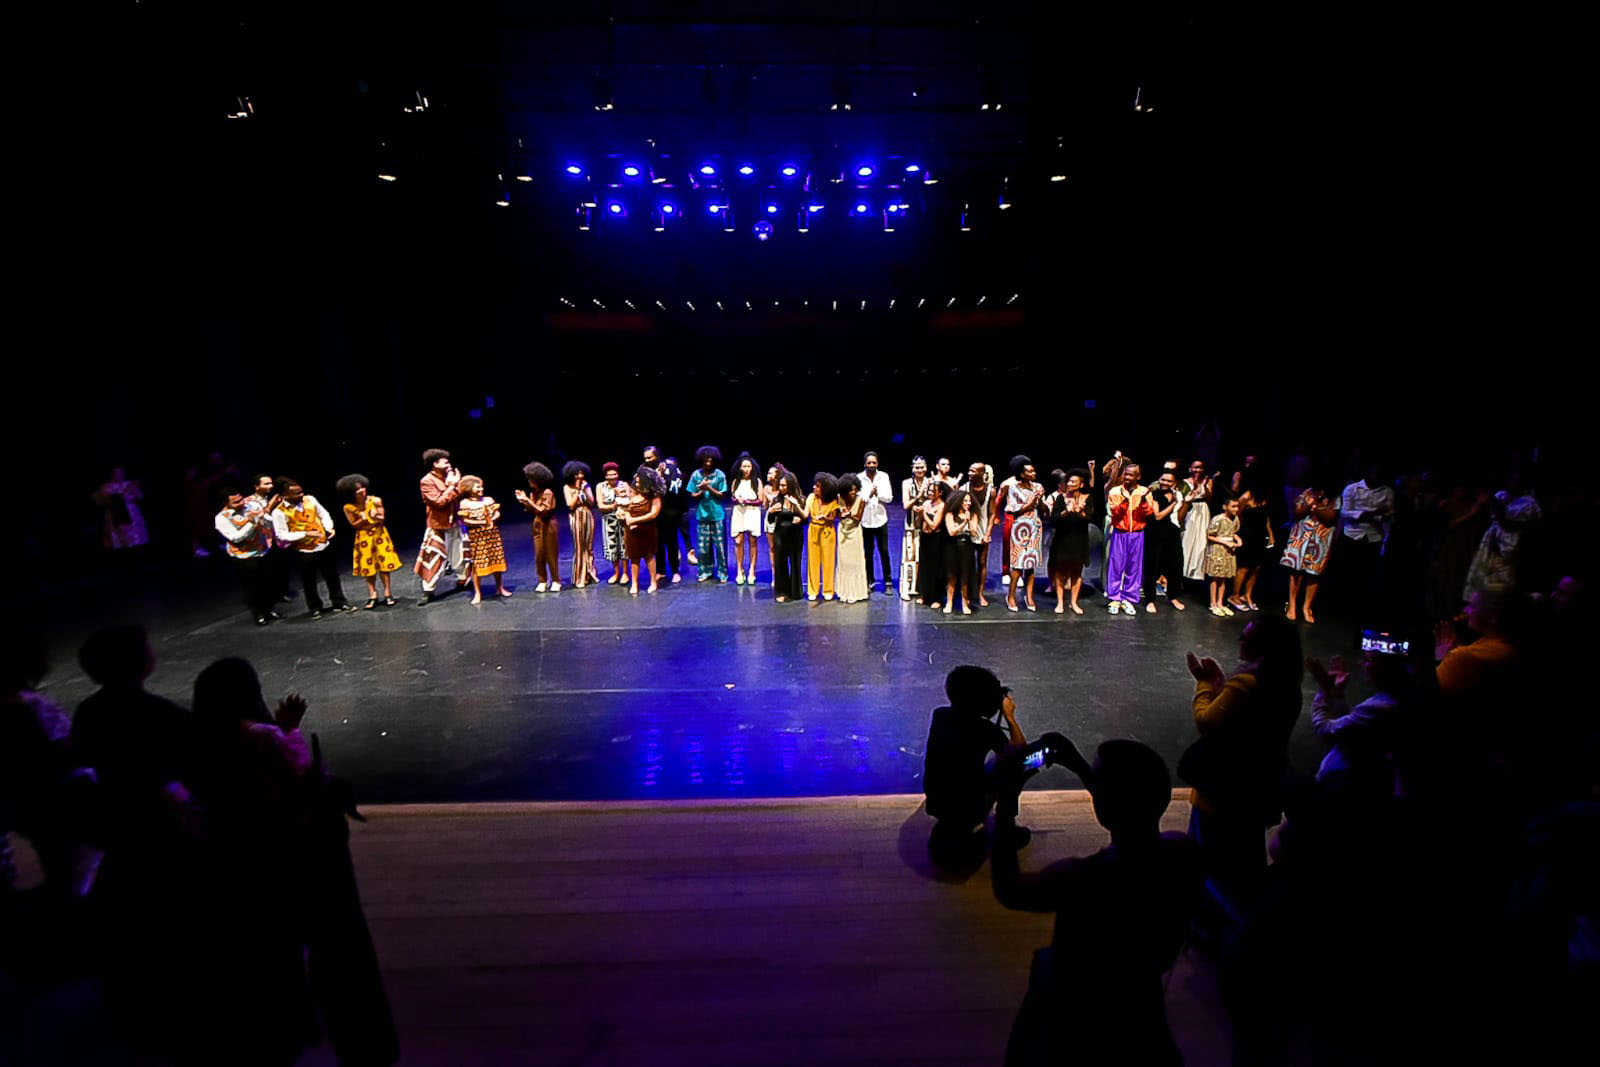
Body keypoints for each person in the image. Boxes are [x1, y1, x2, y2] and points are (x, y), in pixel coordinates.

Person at [992, 737, 1202, 1067]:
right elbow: (1125, 808)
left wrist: (1005, 803)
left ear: (1105, 803)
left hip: (1075, 1010)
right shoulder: (1184, 855)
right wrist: (1077, 765)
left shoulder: (1081, 878)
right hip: (1139, 1002)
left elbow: (1008, 890)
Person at [1181, 616, 1304, 895]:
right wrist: (1222, 687)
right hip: (1260, 787)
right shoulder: (1287, 685)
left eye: (1247, 637)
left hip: (1224, 788)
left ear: (1263, 645)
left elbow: (1207, 722)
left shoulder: (1247, 684)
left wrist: (1204, 685)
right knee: (1245, 863)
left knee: (1210, 869)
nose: (1240, 641)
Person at [71, 625, 196, 841]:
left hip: (116, 811)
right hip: (163, 811)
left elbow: (82, 753)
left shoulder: (88, 710)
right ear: (138, 661)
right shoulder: (159, 711)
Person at [923, 665, 1028, 865]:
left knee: (994, 762)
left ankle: (957, 826)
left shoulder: (940, 715)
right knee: (1011, 768)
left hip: (937, 804)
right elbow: (1020, 754)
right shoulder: (985, 729)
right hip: (969, 808)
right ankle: (1005, 829)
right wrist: (1010, 718)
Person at [1307, 648, 1411, 797]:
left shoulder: (1383, 707)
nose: (1361, 663)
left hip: (1342, 788)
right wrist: (1336, 693)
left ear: (1388, 667)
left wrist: (1324, 689)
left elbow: (1326, 729)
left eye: (1370, 660)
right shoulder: (1391, 697)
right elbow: (1349, 728)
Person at [271, 478, 354, 618]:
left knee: (332, 575)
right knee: (309, 580)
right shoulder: (279, 512)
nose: (301, 495)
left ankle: (339, 601)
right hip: (304, 550)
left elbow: (323, 514)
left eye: (301, 491)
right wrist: (305, 534)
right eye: (296, 493)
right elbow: (282, 534)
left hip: (323, 543)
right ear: (285, 495)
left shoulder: (310, 500)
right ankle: (315, 607)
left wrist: (329, 528)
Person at [1463, 481, 1542, 602]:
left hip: (1507, 549)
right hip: (1490, 545)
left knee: (1499, 589)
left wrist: (1492, 502)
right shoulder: (1502, 495)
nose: (1514, 478)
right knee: (1481, 583)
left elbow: (1509, 523)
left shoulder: (1529, 504)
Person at [1434, 587, 1517, 699]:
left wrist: (1441, 657)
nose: (1466, 610)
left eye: (1473, 606)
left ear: (1494, 616)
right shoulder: (1510, 643)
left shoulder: (1464, 656)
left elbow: (1429, 692)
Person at [215, 485, 280, 624]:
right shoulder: (221, 518)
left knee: (268, 582)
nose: (242, 503)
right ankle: (258, 613)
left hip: (263, 550)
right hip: (244, 556)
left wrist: (265, 517)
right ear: (225, 503)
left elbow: (266, 521)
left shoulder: (251, 506)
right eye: (236, 502)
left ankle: (269, 609)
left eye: (241, 499)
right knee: (252, 586)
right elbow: (236, 538)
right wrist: (251, 522)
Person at [336, 474, 402, 609]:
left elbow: (382, 518)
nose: (361, 491)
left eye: (362, 488)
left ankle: (387, 592)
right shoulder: (348, 507)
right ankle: (372, 594)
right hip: (364, 537)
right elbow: (354, 525)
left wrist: (375, 515)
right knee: (368, 567)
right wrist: (364, 518)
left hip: (379, 534)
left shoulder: (375, 500)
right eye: (357, 490)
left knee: (384, 565)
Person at [416, 449, 469, 603]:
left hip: (454, 521)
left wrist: (459, 485)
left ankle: (463, 579)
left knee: (458, 553)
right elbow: (439, 502)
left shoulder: (449, 477)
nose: (448, 463)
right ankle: (428, 590)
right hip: (437, 524)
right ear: (435, 464)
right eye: (444, 461)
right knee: (433, 556)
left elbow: (459, 496)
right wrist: (452, 486)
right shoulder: (427, 481)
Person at [1338, 464, 1395, 610]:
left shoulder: (1387, 492)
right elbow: (1346, 513)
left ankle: (1359, 606)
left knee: (1366, 574)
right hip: (1352, 535)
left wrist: (1368, 514)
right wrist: (1375, 512)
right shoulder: (1352, 489)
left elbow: (1387, 515)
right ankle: (1342, 603)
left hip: (1374, 537)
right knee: (1347, 572)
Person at [1103, 458, 1154, 615]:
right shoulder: (1115, 491)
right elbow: (1115, 515)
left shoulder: (1144, 491)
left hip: (1137, 534)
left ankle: (1128, 599)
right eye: (1126, 474)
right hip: (1120, 532)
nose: (1127, 477)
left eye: (1131, 475)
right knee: (1116, 566)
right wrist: (1126, 501)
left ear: (1137, 477)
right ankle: (1114, 598)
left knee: (1134, 567)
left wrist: (1144, 501)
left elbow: (1149, 513)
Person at [1281, 486, 1338, 623]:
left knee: (1314, 573)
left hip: (1321, 538)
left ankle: (1307, 607)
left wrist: (1316, 506)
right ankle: (1292, 605)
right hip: (1301, 535)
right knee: (1296, 571)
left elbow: (1330, 518)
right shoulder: (1305, 492)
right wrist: (1310, 505)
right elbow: (1296, 513)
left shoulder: (1335, 498)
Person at [1045, 467, 1096, 614]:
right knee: (1060, 571)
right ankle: (1060, 602)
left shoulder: (1088, 498)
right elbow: (1054, 518)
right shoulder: (1061, 498)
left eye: (1073, 482)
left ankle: (1074, 602)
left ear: (1081, 484)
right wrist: (1066, 510)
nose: (1069, 484)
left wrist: (1080, 511)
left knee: (1076, 572)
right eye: (1068, 481)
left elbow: (1089, 518)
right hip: (1062, 539)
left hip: (1079, 540)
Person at [457, 475, 511, 604]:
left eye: (481, 486)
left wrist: (492, 519)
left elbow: (497, 513)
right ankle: (478, 593)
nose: (481, 488)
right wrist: (481, 522)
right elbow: (465, 520)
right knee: (477, 564)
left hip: (492, 535)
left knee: (496, 560)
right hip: (477, 537)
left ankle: (500, 587)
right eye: (477, 486)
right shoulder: (465, 503)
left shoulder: (488, 500)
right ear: (469, 489)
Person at [1142, 471, 1189, 614]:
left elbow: (1180, 518)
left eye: (1169, 481)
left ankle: (1173, 596)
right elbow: (1158, 516)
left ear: (1174, 483)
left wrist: (1184, 502)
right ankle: (1150, 599)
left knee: (1176, 564)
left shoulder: (1177, 495)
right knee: (1153, 565)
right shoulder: (1154, 494)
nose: (1165, 483)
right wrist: (1174, 503)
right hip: (1156, 533)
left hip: (1172, 533)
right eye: (1163, 480)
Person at [1005, 460, 1045, 613]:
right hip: (1020, 527)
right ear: (1022, 474)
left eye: (1034, 471)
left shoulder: (1038, 487)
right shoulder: (1014, 488)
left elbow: (1041, 508)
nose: (1034, 473)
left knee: (1030, 565)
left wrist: (1040, 500)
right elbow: (1015, 511)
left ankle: (1029, 597)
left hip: (1034, 526)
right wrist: (1033, 500)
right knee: (1017, 565)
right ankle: (1011, 596)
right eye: (1030, 471)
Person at [515, 462, 561, 593]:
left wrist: (528, 502)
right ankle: (542, 580)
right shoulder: (534, 493)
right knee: (539, 554)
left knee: (551, 553)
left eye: (531, 479)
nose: (529, 481)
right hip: (537, 524)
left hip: (548, 524)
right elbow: (533, 511)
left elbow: (544, 511)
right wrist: (524, 501)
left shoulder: (548, 493)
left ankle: (556, 580)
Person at [646, 447, 689, 583]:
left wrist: (662, 477)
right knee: (657, 544)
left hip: (670, 512)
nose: (647, 460)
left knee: (671, 542)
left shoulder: (672, 468)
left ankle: (675, 570)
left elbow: (676, 489)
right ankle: (661, 571)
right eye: (645, 458)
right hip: (654, 513)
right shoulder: (645, 471)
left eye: (649, 458)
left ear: (657, 456)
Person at [1228, 487, 1275, 612]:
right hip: (1247, 535)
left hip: (1260, 536)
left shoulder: (1266, 497)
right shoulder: (1246, 497)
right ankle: (1235, 595)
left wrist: (1270, 534)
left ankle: (1247, 595)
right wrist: (1234, 533)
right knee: (1243, 567)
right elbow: (1236, 515)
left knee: (1256, 567)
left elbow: (1266, 518)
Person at [687, 445, 729, 582]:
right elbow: (692, 495)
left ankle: (723, 573)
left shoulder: (720, 474)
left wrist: (708, 488)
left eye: (710, 461)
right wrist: (701, 490)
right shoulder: (696, 475)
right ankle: (705, 571)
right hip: (702, 515)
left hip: (717, 515)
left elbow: (722, 495)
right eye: (705, 461)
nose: (708, 463)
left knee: (720, 547)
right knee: (703, 547)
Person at [859, 452, 895, 595]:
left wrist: (877, 494)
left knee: (884, 551)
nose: (872, 465)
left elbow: (889, 498)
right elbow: (859, 498)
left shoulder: (883, 477)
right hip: (866, 520)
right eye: (869, 463)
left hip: (880, 519)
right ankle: (870, 580)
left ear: (877, 464)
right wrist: (869, 494)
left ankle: (888, 582)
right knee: (868, 552)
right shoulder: (859, 478)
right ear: (865, 464)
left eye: (874, 463)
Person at [962, 462, 998, 607]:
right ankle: (968, 593)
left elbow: (992, 513)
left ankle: (980, 593)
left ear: (982, 473)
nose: (970, 473)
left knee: (982, 562)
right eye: (969, 470)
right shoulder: (964, 488)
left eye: (973, 471)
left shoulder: (990, 490)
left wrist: (988, 532)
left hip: (983, 530)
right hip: (968, 529)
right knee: (967, 563)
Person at [625, 465, 663, 595]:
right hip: (631, 530)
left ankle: (653, 581)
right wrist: (627, 517)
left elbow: (653, 514)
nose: (636, 479)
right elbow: (624, 507)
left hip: (647, 529)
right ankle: (634, 583)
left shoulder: (654, 495)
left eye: (639, 478)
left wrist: (635, 520)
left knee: (649, 556)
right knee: (634, 557)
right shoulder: (633, 491)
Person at [770, 471, 807, 603]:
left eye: (784, 486)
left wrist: (801, 520)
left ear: (791, 485)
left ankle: (795, 591)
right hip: (780, 535)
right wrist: (770, 512)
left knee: (795, 563)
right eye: (780, 485)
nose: (781, 488)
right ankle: (782, 591)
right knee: (780, 564)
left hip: (795, 536)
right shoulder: (777, 500)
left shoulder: (801, 499)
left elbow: (806, 518)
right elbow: (770, 520)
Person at [901, 456, 934, 600]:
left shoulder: (931, 482)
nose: (919, 470)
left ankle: (922, 588)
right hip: (911, 525)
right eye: (917, 467)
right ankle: (907, 589)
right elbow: (905, 505)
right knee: (910, 556)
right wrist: (918, 497)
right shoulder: (907, 483)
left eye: (922, 467)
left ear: (926, 467)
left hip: (927, 524)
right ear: (912, 468)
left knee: (925, 558)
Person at [943, 489, 981, 615]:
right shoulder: (950, 514)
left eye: (969, 501)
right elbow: (951, 532)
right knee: (952, 576)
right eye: (965, 501)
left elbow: (974, 533)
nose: (968, 503)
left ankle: (965, 603)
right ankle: (949, 602)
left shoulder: (973, 514)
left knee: (965, 577)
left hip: (967, 547)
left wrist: (969, 521)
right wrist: (963, 522)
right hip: (953, 546)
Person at [729, 452, 765, 585]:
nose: (746, 469)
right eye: (744, 466)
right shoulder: (736, 481)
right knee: (738, 541)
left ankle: (752, 571)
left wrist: (747, 501)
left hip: (752, 512)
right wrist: (737, 499)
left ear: (752, 467)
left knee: (752, 541)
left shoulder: (757, 482)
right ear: (740, 467)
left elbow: (760, 500)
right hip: (739, 512)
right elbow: (732, 497)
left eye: (748, 466)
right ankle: (739, 570)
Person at [804, 473, 841, 601]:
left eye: (818, 486)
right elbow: (805, 513)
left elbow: (832, 518)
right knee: (813, 561)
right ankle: (813, 590)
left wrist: (825, 518)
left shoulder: (833, 500)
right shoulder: (811, 497)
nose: (814, 487)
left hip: (827, 530)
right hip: (813, 529)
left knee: (828, 561)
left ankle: (828, 589)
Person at [1205, 494, 1243, 617]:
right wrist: (1225, 542)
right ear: (1225, 507)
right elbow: (1209, 535)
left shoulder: (1236, 519)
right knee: (1216, 577)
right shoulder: (1218, 519)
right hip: (1218, 550)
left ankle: (1220, 602)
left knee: (1224, 578)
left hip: (1229, 551)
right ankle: (1213, 603)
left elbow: (1234, 532)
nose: (1236, 509)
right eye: (1233, 507)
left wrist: (1238, 540)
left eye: (1237, 507)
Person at [93, 468, 148, 552]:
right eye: (116, 473)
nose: (119, 476)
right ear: (112, 475)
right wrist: (126, 491)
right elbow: (109, 499)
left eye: (120, 473)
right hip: (115, 513)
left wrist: (134, 490)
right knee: (119, 534)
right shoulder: (106, 486)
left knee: (134, 536)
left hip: (131, 512)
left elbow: (139, 497)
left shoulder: (129, 483)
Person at [562, 461, 599, 587]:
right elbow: (571, 505)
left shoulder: (586, 486)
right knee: (579, 547)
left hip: (588, 515)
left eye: (582, 474)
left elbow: (592, 502)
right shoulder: (567, 487)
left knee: (589, 546)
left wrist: (585, 489)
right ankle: (579, 577)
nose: (580, 476)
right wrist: (578, 490)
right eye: (577, 474)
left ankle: (589, 573)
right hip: (576, 516)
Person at [835, 476, 870, 603]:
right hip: (843, 531)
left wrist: (849, 515)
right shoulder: (839, 499)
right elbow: (836, 515)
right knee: (844, 562)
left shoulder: (861, 500)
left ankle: (857, 592)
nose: (853, 492)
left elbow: (858, 518)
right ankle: (844, 591)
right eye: (850, 490)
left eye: (855, 489)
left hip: (855, 531)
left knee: (855, 562)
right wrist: (840, 514)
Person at [916, 481, 950, 609]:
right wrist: (919, 515)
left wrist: (923, 513)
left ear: (940, 493)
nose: (929, 493)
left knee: (935, 568)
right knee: (924, 566)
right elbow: (918, 522)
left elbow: (934, 526)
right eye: (929, 491)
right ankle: (924, 594)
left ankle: (936, 597)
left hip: (936, 539)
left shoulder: (942, 506)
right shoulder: (926, 503)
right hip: (924, 537)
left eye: (932, 491)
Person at [597, 462, 632, 586]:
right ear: (605, 476)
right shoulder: (600, 487)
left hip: (623, 519)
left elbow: (631, 500)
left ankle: (625, 573)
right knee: (612, 546)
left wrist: (624, 501)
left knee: (624, 546)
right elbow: (600, 505)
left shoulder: (624, 485)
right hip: (608, 520)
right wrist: (614, 505)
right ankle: (616, 572)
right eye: (609, 475)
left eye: (615, 474)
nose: (612, 477)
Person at [1180, 460, 1215, 585]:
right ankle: (1181, 572)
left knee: (1201, 541)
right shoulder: (1184, 482)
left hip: (1203, 509)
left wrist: (1204, 486)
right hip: (1190, 510)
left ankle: (1194, 574)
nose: (1198, 470)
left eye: (1200, 468)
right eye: (1195, 467)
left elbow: (1210, 498)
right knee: (1186, 540)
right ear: (1190, 468)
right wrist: (1194, 488)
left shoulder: (1208, 481)